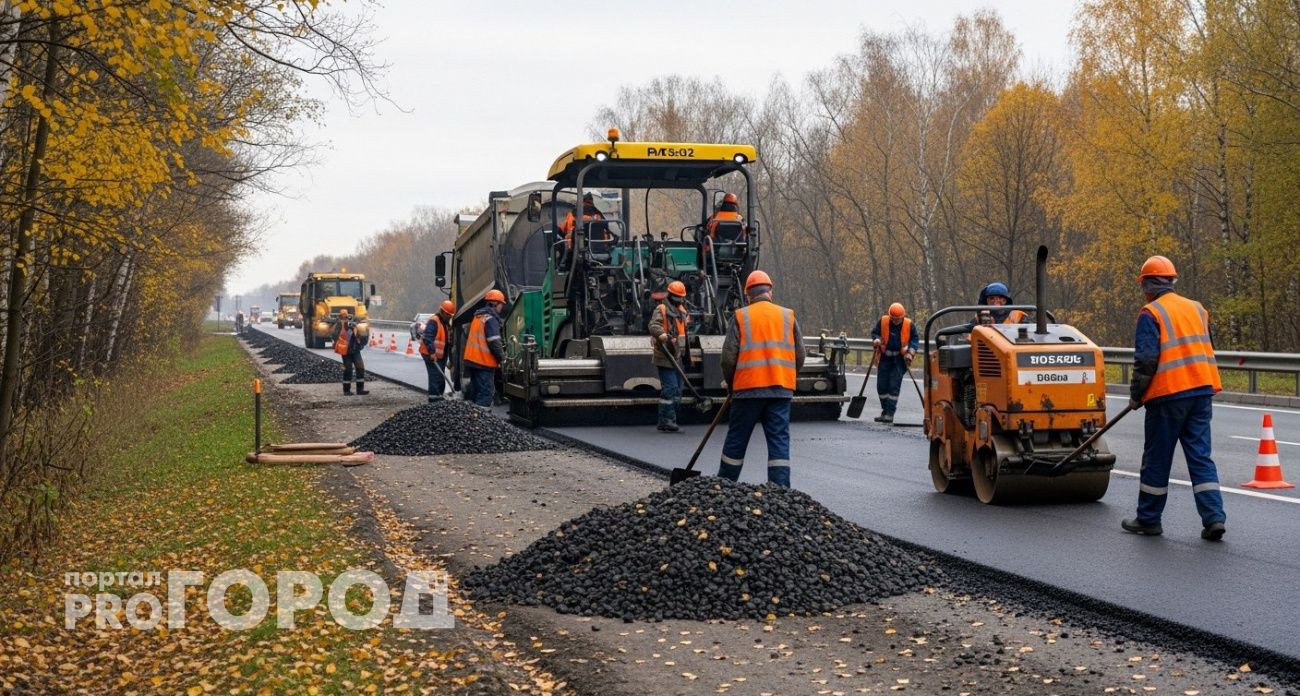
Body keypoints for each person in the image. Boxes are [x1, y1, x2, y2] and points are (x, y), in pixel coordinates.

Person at [1121, 255, 1226, 541]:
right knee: (1201, 456)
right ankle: (1214, 518)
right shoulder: (1197, 309)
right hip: (1202, 390)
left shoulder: (1150, 313)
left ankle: (1149, 519)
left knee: (1157, 458)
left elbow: (1146, 360)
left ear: (1147, 285)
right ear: (1172, 281)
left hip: (1169, 395)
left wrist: (1136, 395)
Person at [717, 270, 805, 488]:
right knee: (779, 441)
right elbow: (800, 355)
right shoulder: (788, 316)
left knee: (737, 439)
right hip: (780, 390)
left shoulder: (740, 316)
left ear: (748, 295)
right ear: (770, 291)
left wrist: (731, 383)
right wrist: (787, 376)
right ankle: (781, 490)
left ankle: (725, 487)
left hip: (748, 390)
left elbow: (728, 357)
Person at [649, 280, 692, 432]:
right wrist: (662, 335)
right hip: (665, 355)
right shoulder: (661, 309)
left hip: (677, 355)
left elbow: (684, 331)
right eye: (677, 297)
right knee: (670, 388)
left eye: (681, 297)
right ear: (671, 295)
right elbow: (654, 326)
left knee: (678, 389)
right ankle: (665, 420)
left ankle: (672, 417)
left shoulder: (682, 311)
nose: (679, 299)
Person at [869, 302, 919, 424]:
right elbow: (875, 332)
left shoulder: (909, 324)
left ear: (903, 316)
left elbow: (915, 339)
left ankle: (890, 413)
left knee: (893, 385)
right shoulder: (883, 321)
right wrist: (876, 339)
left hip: (899, 359)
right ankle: (885, 410)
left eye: (898, 319)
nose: (896, 321)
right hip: (885, 357)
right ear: (890, 316)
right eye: (894, 318)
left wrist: (910, 353)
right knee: (881, 385)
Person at [463, 289, 507, 407]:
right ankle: (481, 423)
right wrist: (502, 359)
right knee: (485, 395)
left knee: (475, 393)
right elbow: (494, 342)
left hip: (472, 361)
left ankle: (471, 420)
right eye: (501, 304)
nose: (501, 308)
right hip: (483, 363)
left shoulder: (478, 317)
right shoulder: (491, 319)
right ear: (495, 304)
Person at [421, 300, 455, 402]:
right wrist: (432, 352)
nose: (450, 317)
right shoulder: (434, 321)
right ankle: (434, 399)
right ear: (443, 312)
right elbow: (428, 338)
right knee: (435, 376)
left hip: (440, 355)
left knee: (440, 376)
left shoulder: (445, 323)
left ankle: (439, 396)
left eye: (450, 315)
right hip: (430, 354)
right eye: (448, 315)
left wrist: (450, 359)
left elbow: (447, 342)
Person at [330, 309, 368, 396]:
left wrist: (356, 327)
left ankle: (360, 389)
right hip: (346, 351)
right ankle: (346, 391)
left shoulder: (355, 324)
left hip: (355, 350)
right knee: (348, 370)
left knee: (360, 368)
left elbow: (361, 335)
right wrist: (342, 332)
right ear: (340, 317)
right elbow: (334, 335)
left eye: (346, 317)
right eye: (343, 317)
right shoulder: (339, 324)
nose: (346, 318)